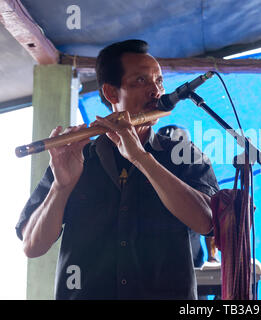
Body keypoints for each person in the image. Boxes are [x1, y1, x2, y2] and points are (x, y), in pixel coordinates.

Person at [16, 39, 219, 300]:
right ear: (112, 93)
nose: (156, 91)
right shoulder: (77, 155)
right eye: (141, 81)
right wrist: (61, 186)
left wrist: (141, 158)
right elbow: (32, 246)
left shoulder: (184, 154)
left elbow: (208, 222)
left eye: (158, 81)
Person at [156, 124, 219, 267]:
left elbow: (209, 215)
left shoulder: (193, 170)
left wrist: (212, 257)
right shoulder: (151, 169)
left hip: (190, 258)